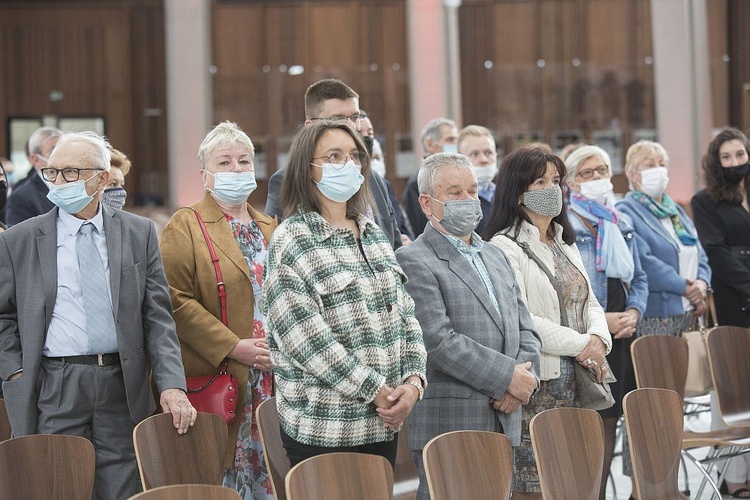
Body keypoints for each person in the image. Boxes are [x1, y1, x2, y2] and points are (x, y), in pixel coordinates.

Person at [0, 131, 196, 499]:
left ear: (102, 179)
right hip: (55, 383)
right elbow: (2, 317)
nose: (58, 182)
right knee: (58, 485)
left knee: (123, 487)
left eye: (71, 173)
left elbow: (157, 316)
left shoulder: (139, 233)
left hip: (122, 383)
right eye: (53, 173)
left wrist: (172, 383)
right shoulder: (19, 240)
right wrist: (15, 369)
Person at [261, 120, 427, 469]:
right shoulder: (292, 239)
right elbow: (307, 342)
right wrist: (378, 391)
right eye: (334, 156)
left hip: (381, 425)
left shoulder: (373, 235)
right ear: (308, 170)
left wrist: (412, 384)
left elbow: (406, 317)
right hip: (325, 429)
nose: (347, 165)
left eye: (353, 156)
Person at [395, 152, 541, 500]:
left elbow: (526, 327)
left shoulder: (495, 254)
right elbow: (438, 341)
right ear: (427, 203)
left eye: (472, 191)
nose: (468, 200)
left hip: (504, 416)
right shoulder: (413, 259)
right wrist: (508, 378)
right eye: (455, 192)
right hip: (451, 418)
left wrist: (523, 379)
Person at [483, 146, 612, 492]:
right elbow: (524, 319)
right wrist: (584, 344)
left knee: (576, 483)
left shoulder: (562, 242)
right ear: (518, 191)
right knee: (538, 485)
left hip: (580, 379)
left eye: (556, 180)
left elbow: (591, 302)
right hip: (543, 384)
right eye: (540, 182)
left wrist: (599, 340)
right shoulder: (504, 246)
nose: (552, 189)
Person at [160, 121, 276, 498]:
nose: (237, 170)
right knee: (227, 479)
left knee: (275, 475)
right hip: (226, 374)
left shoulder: (270, 226)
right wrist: (232, 345)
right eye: (224, 162)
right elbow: (173, 299)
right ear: (205, 176)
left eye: (244, 161)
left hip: (276, 378)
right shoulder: (186, 225)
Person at [564, 145, 648, 500]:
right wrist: (604, 322)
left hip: (625, 334)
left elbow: (639, 278)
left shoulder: (619, 221)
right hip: (592, 336)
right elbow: (571, 288)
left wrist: (634, 313)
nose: (599, 178)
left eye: (603, 170)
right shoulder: (564, 223)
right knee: (592, 423)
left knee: (615, 419)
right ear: (570, 182)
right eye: (588, 173)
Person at [263, 79, 402, 250]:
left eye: (355, 117)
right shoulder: (286, 180)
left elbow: (394, 244)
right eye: (338, 118)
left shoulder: (374, 178)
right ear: (311, 126)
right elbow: (280, 245)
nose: (352, 126)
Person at [691, 128, 750, 498]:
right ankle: (733, 476)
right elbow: (718, 254)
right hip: (734, 300)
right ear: (715, 162)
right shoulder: (706, 200)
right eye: (726, 158)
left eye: (739, 155)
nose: (734, 163)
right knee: (731, 391)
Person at [617, 140, 710, 333]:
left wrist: (702, 284)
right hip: (659, 316)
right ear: (632, 174)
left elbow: (699, 251)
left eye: (662, 164)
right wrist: (685, 288)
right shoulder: (626, 211)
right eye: (650, 165)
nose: (658, 170)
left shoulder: (674, 210)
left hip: (691, 311)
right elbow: (644, 261)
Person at [402, 118, 459, 238]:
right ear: (430, 144)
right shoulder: (417, 183)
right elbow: (419, 227)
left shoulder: (459, 177)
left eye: (456, 140)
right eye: (449, 140)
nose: (454, 145)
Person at [5, 126, 61, 225]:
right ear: (34, 159)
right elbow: (19, 237)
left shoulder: (75, 186)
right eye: (53, 151)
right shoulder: (21, 197)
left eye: (63, 149)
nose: (61, 155)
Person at [457, 125, 497, 235]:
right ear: (461, 159)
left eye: (488, 153)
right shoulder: (456, 202)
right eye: (474, 154)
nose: (484, 160)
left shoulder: (507, 194)